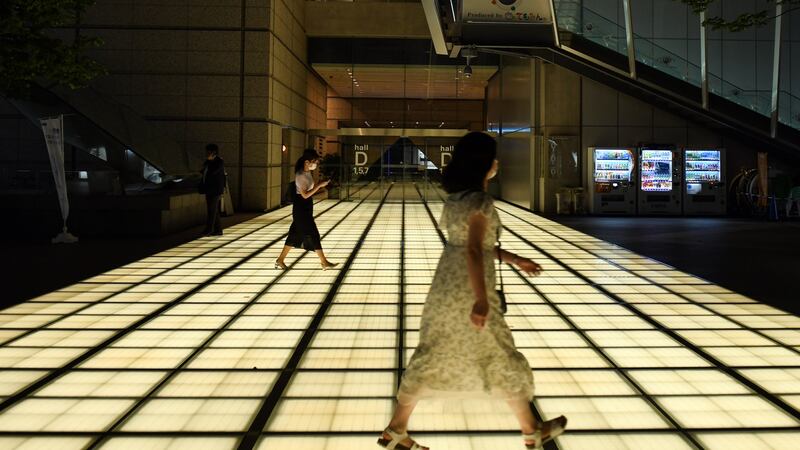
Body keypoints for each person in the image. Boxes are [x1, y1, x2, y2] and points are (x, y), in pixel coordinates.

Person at [378, 132, 567, 450]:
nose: (496, 163)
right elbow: (474, 252)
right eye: (493, 157)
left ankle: (396, 429)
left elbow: (469, 244)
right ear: (484, 164)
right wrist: (481, 299)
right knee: (498, 352)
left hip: (445, 289)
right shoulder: (480, 201)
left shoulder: (456, 200)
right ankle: (531, 430)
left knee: (434, 351)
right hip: (470, 288)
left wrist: (514, 258)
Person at [275, 149, 338, 271]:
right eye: (314, 162)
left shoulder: (307, 172)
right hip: (301, 209)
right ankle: (324, 262)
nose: (316, 164)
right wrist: (319, 186)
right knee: (313, 234)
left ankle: (280, 260)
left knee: (293, 235)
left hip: (305, 207)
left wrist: (320, 186)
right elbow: (304, 195)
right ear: (307, 161)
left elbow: (309, 191)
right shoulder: (300, 176)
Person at [200, 143, 226, 236]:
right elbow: (203, 171)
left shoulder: (219, 161)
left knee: (212, 210)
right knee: (213, 210)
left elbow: (213, 172)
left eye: (208, 151)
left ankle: (209, 229)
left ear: (213, 152)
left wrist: (210, 162)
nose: (206, 153)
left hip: (215, 190)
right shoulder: (207, 161)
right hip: (208, 189)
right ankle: (218, 230)